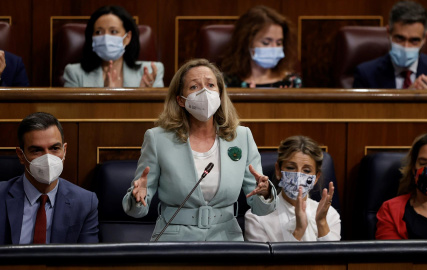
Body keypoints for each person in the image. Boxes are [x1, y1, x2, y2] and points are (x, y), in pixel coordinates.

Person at [122, 58, 277, 241]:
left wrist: (266, 192)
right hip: (174, 240)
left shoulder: (241, 137)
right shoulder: (157, 139)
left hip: (227, 239)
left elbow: (261, 209)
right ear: (181, 100)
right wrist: (137, 198)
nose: (204, 91)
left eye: (211, 85)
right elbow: (136, 211)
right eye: (194, 87)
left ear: (219, 94)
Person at [0, 112, 99, 244]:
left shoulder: (85, 203)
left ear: (65, 150)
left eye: (54, 148)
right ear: (21, 155)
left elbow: (87, 261)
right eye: (36, 150)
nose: (47, 158)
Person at [245, 136, 341, 242]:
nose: (298, 177)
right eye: (291, 168)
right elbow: (261, 259)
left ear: (316, 178)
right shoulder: (257, 217)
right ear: (278, 171)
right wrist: (298, 231)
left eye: (307, 170)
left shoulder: (329, 214)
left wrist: (322, 222)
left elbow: (333, 258)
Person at [353, 1, 427, 89]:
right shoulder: (366, 74)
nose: (406, 47)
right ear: (389, 33)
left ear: (425, 38)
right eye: (400, 38)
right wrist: (407, 95)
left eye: (414, 40)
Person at [63, 5, 164, 87]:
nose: (106, 37)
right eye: (98, 32)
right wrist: (104, 94)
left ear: (127, 37)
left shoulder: (150, 72)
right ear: (92, 37)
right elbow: (72, 111)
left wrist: (143, 94)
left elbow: (161, 111)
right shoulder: (74, 73)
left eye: (113, 31)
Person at [221, 6, 301, 88]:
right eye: (266, 42)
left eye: (278, 43)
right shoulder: (225, 82)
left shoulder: (292, 82)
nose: (274, 48)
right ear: (247, 42)